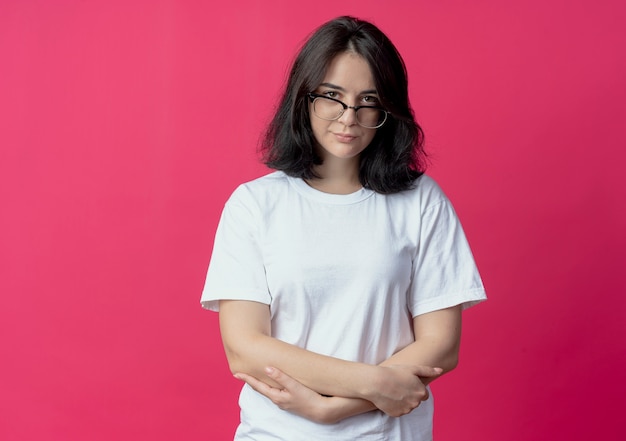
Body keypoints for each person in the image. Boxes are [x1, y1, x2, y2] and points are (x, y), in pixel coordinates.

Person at [201, 15, 486, 441]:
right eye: (332, 96)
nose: (348, 117)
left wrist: (331, 410)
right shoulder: (255, 204)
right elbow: (244, 347)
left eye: (368, 100)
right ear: (304, 97)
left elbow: (442, 346)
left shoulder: (421, 200)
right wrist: (372, 386)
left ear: (388, 109)